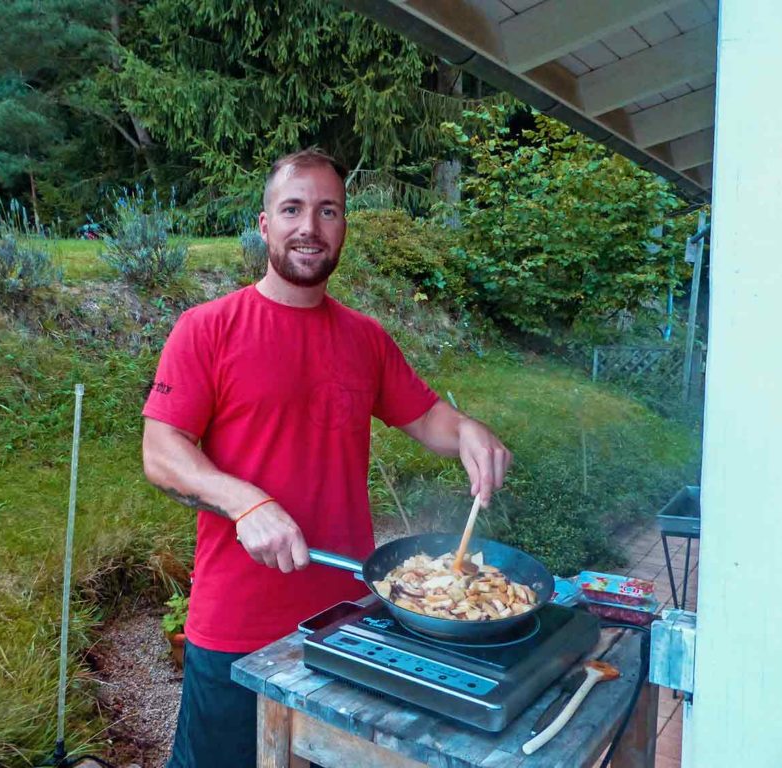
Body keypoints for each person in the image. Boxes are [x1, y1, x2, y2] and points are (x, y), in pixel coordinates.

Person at [141, 148, 512, 768]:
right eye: (292, 209)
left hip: (344, 623)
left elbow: (425, 417)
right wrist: (245, 501)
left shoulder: (364, 338)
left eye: (327, 210)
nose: (309, 226)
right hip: (237, 625)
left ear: (343, 227)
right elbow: (161, 451)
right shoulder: (207, 328)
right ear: (265, 226)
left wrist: (469, 430)